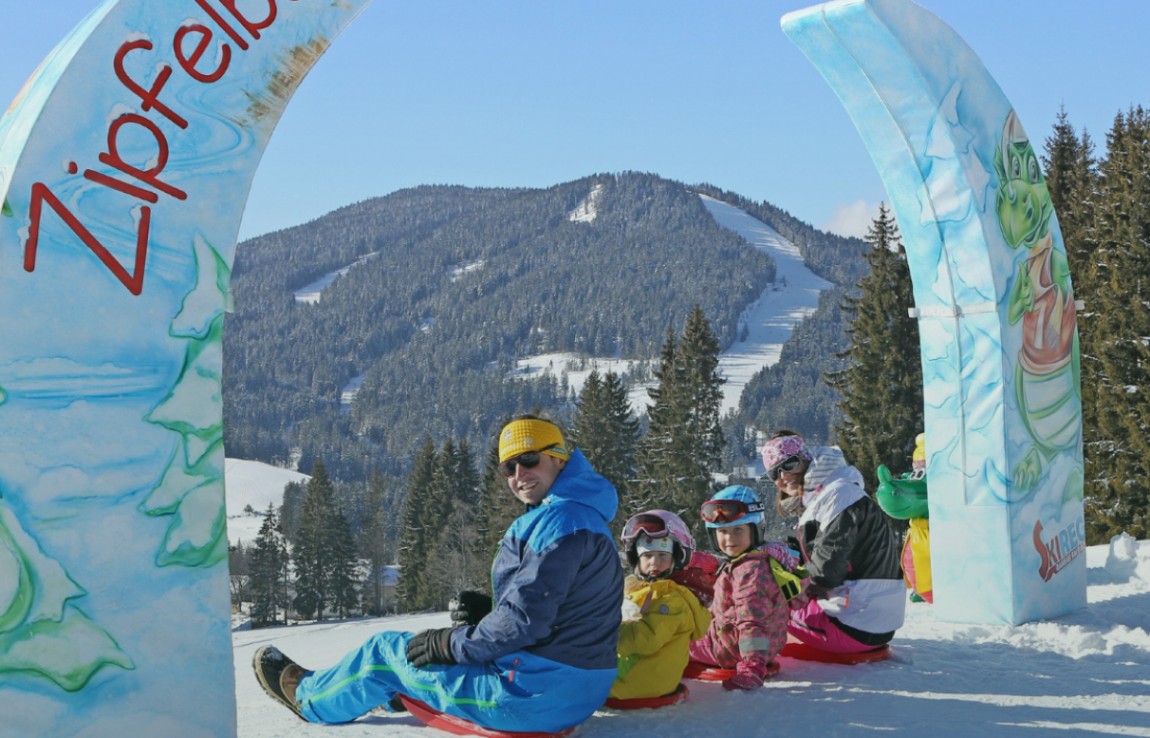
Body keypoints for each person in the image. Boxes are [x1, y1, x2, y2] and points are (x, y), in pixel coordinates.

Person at [252, 416, 624, 734]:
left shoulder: (558, 522)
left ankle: (310, 698)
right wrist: (491, 613)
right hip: (578, 689)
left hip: (531, 697)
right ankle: (398, 692)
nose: (519, 475)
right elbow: (560, 611)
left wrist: (447, 643)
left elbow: (521, 624)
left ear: (558, 457)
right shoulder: (584, 517)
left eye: (529, 459)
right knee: (442, 651)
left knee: (383, 652)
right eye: (508, 468)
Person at [763, 431, 905, 654]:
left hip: (853, 625)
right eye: (774, 473)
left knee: (757, 601)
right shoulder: (833, 494)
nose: (782, 476)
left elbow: (825, 572)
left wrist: (778, 588)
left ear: (805, 458)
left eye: (789, 464)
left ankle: (742, 653)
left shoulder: (838, 494)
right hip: (872, 620)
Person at [686, 485, 791, 691]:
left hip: (731, 649)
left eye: (738, 530)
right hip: (766, 643)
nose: (729, 539)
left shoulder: (749, 573)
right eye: (722, 532)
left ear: (755, 530)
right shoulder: (762, 557)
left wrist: (752, 669)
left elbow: (751, 621)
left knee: (674, 634)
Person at [609, 510, 711, 702]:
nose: (654, 562)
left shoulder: (672, 599)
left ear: (677, 558)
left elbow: (646, 639)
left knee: (576, 677)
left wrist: (605, 633)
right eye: (647, 556)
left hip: (639, 682)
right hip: (643, 674)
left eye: (663, 555)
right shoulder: (642, 588)